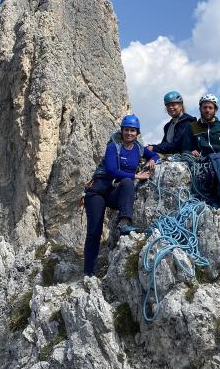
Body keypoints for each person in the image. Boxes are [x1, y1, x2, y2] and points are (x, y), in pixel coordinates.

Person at [83, 114, 159, 276]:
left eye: (132, 130)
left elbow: (154, 154)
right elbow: (111, 170)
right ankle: (89, 272)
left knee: (127, 182)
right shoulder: (113, 147)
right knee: (94, 232)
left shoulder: (138, 148)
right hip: (97, 191)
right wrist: (138, 176)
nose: (129, 133)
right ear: (122, 130)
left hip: (113, 192)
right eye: (126, 130)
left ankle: (124, 223)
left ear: (137, 133)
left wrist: (152, 160)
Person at [147, 91, 196, 155]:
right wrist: (152, 147)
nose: (170, 107)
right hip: (174, 158)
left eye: (173, 105)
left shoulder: (191, 121)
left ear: (181, 105)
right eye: (168, 105)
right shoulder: (167, 126)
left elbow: (175, 144)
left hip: (188, 158)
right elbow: (164, 144)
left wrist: (153, 147)